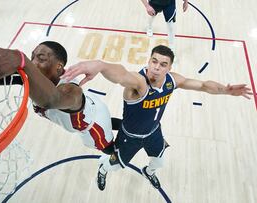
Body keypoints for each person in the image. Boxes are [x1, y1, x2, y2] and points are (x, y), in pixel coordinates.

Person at [61, 45, 252, 190]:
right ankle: (102, 169)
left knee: (159, 162)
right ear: (149, 61)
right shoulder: (139, 83)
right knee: (114, 166)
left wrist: (226, 91)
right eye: (153, 61)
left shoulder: (172, 80)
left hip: (154, 132)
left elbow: (202, 85)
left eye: (162, 64)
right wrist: (101, 65)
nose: (156, 68)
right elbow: (121, 75)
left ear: (169, 68)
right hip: (130, 137)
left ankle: (147, 172)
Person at [0, 40, 118, 155]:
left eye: (41, 58)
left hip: (95, 126)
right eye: (32, 57)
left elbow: (52, 100)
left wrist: (22, 61)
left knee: (108, 149)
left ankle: (111, 159)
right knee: (111, 120)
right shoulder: (37, 78)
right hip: (93, 107)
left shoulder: (71, 91)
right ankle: (123, 124)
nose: (33, 63)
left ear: (59, 68)